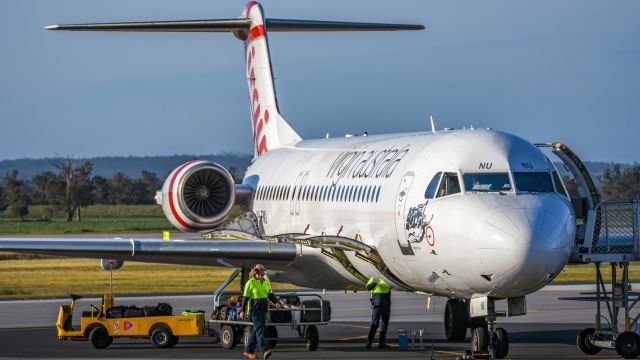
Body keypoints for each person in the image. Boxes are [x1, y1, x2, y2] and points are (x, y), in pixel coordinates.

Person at [239, 264, 280, 359]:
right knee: (259, 331)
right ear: (256, 272)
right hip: (254, 311)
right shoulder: (250, 283)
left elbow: (270, 295)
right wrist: (242, 311)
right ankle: (264, 350)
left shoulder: (266, 282)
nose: (264, 272)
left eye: (263, 270)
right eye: (262, 270)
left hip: (263, 310)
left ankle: (248, 351)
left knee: (255, 331)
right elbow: (245, 298)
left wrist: (276, 302)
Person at [365, 276, 392, 349]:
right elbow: (368, 287)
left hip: (386, 304)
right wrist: (375, 282)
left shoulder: (388, 278)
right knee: (375, 324)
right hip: (377, 305)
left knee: (384, 324)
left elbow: (391, 287)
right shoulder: (374, 278)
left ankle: (382, 343)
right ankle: (369, 342)